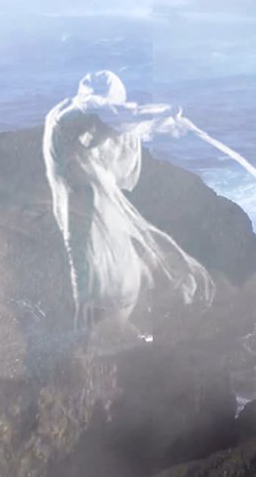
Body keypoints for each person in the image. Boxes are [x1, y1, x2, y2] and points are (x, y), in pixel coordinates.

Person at [42, 71, 213, 337]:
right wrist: (83, 295)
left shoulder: (76, 127)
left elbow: (118, 114)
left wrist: (160, 114)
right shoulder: (73, 140)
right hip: (81, 204)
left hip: (84, 203)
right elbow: (77, 240)